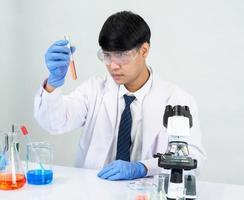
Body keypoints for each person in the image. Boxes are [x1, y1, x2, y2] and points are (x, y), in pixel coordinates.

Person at [34, 11, 206, 181]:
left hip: (146, 192)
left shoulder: (177, 99)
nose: (113, 65)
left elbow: (193, 159)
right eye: (107, 55)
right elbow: (54, 123)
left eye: (122, 55)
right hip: (95, 191)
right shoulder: (93, 90)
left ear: (144, 50)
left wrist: (143, 168)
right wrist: (52, 84)